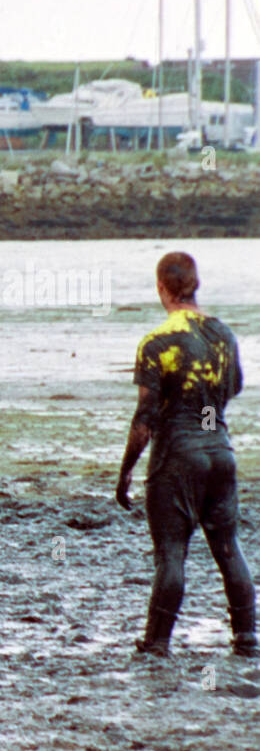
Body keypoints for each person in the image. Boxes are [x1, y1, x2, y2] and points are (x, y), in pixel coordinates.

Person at [116, 252, 257, 658]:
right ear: (195, 285)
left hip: (176, 457)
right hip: (220, 450)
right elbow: (230, 390)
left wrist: (125, 471)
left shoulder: (157, 343)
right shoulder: (224, 335)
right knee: (229, 547)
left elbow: (144, 417)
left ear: (162, 287)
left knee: (171, 554)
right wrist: (206, 421)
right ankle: (247, 637)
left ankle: (157, 642)